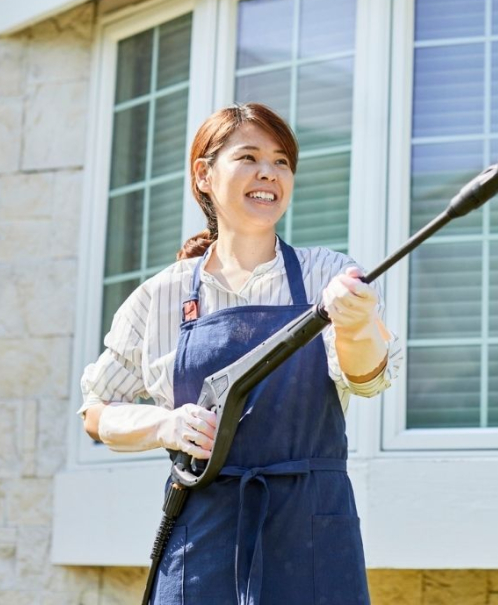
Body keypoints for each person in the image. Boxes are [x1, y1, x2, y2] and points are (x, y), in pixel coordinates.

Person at [77, 102, 399, 604]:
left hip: (313, 535)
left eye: (281, 161)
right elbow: (97, 413)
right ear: (204, 175)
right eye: (248, 157)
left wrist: (355, 324)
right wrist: (164, 426)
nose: (268, 172)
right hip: (202, 541)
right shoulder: (159, 297)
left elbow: (369, 379)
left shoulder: (327, 275)